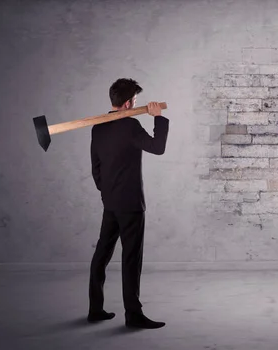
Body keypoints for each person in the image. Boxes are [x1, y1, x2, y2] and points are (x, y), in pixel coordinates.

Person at [87, 78, 169, 329]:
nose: (137, 104)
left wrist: (107, 192)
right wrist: (157, 118)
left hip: (110, 202)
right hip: (131, 204)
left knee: (102, 254)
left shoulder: (97, 127)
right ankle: (133, 315)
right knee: (131, 258)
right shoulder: (131, 126)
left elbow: (96, 168)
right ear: (128, 103)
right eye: (135, 100)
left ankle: (95, 309)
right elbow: (158, 147)